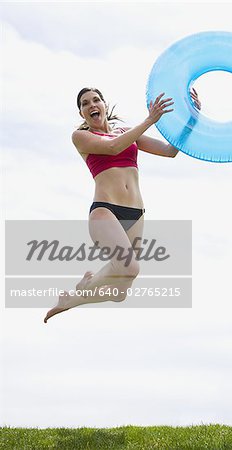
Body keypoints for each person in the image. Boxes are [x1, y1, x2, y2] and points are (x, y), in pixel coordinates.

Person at [44, 87, 201, 323]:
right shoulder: (80, 137)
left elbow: (170, 151)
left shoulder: (126, 132)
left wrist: (193, 117)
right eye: (85, 103)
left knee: (119, 293)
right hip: (105, 211)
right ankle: (86, 286)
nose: (92, 105)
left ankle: (74, 298)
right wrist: (150, 119)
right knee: (130, 268)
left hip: (136, 214)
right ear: (82, 113)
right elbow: (112, 148)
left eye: (96, 100)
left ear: (105, 105)